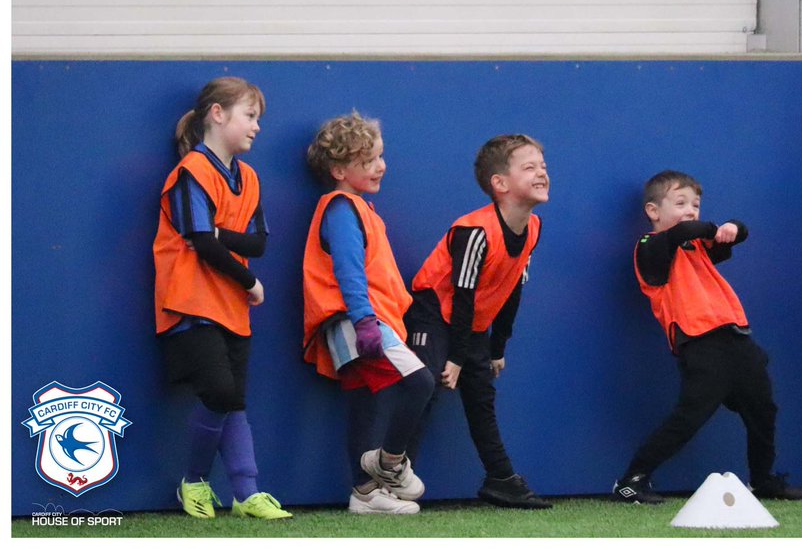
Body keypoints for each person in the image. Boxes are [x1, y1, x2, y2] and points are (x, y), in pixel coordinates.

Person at [611, 170, 802, 504]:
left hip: (737, 339)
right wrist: (715, 228)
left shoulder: (697, 247)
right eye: (681, 202)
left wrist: (731, 227)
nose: (691, 210)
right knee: (689, 417)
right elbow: (688, 230)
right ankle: (631, 481)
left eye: (696, 204)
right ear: (653, 212)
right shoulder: (650, 246)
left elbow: (737, 233)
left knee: (763, 411)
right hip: (700, 345)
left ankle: (762, 480)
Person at [152, 77, 291, 519]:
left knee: (235, 400)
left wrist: (216, 233)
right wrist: (249, 283)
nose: (256, 127)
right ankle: (193, 482)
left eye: (257, 119)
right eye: (249, 116)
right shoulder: (191, 172)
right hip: (190, 302)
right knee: (219, 390)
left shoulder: (248, 177)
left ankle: (246, 494)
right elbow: (200, 242)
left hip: (231, 307)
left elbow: (258, 244)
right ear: (217, 113)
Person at [404, 134, 551, 509]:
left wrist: (496, 349)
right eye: (529, 167)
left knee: (481, 398)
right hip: (434, 314)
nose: (542, 173)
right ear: (499, 184)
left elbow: (512, 289)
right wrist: (455, 357)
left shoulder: (532, 229)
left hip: (470, 326)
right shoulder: (474, 232)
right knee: (424, 389)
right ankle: (392, 480)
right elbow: (462, 295)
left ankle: (500, 479)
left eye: (543, 166)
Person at [302, 112, 436, 514]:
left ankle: (363, 494)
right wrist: (364, 320)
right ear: (340, 170)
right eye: (371, 160)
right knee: (421, 383)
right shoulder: (343, 208)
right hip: (357, 321)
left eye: (381, 156)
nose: (382, 166)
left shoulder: (359, 208)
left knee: (366, 402)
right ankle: (389, 463)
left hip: (361, 321)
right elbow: (348, 269)